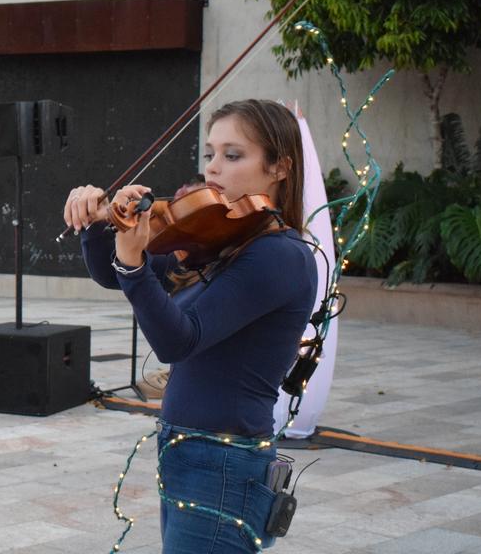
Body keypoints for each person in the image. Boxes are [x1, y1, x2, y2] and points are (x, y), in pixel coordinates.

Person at [63, 99, 317, 552]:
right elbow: (112, 274)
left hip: (223, 461)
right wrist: (99, 222)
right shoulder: (221, 242)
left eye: (233, 155)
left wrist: (132, 262)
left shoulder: (280, 255)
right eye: (210, 154)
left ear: (280, 167)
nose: (213, 169)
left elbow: (179, 340)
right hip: (190, 451)